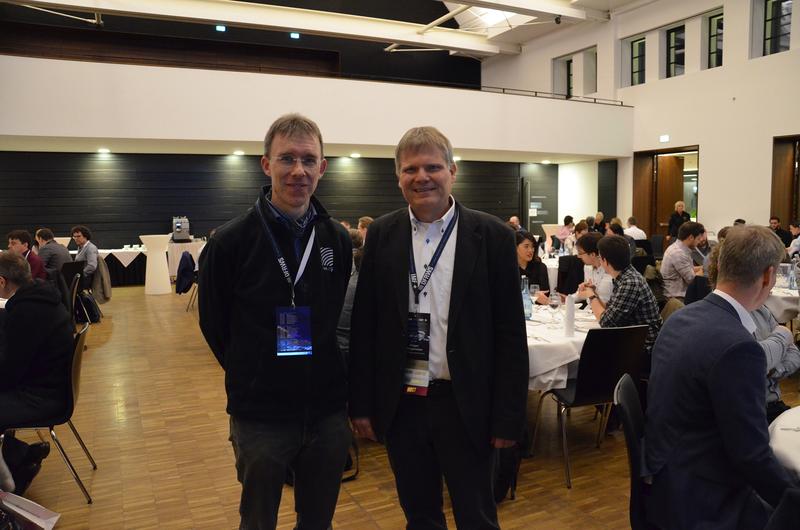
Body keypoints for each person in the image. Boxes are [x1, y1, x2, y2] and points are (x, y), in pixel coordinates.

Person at [349, 126, 528, 529]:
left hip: (467, 405)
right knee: (420, 517)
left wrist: (508, 417)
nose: (422, 177)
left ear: (452, 171)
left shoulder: (494, 236)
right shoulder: (381, 234)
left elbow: (510, 335)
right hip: (403, 404)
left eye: (432, 166)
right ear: (398, 177)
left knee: (477, 516)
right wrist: (360, 404)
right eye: (410, 169)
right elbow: (365, 327)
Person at [198, 114, 353, 529]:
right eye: (287, 159)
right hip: (260, 414)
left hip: (325, 412)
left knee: (318, 521)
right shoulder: (230, 242)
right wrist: (254, 372)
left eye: (308, 159)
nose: (298, 171)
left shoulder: (336, 238)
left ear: (322, 167)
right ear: (266, 165)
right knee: (258, 521)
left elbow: (332, 309)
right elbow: (213, 325)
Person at [643, 225, 799, 529]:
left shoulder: (681, 318)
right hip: (703, 497)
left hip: (665, 476)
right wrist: (793, 498)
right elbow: (751, 456)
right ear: (768, 276)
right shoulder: (738, 346)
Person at [0, 252, 73, 495]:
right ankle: (19, 454)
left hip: (43, 396)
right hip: (51, 385)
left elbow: (10, 371)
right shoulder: (41, 296)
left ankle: (10, 480)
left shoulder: (26, 311)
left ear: (2, 282)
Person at [706, 243, 800, 424]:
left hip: (771, 404)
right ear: (765, 276)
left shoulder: (761, 309)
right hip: (751, 412)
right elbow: (750, 360)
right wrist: (783, 336)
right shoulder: (720, 318)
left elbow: (795, 354)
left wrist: (773, 369)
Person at [578, 235, 661, 355]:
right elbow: (610, 311)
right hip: (629, 337)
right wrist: (594, 293)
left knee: (589, 351)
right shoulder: (624, 276)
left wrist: (591, 296)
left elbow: (606, 324)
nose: (599, 261)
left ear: (605, 261)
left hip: (640, 349)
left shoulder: (630, 282)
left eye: (600, 258)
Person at [660, 221, 705, 300]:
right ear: (690, 237)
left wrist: (705, 267)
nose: (699, 242)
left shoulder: (679, 248)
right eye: (698, 239)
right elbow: (692, 280)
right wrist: (705, 269)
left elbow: (689, 268)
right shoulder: (678, 253)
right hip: (676, 297)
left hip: (678, 292)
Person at [575, 232, 613, 303]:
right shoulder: (587, 267)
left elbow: (606, 303)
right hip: (588, 311)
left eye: (580, 253)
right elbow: (584, 293)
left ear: (592, 254)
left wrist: (591, 293)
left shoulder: (610, 271)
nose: (578, 256)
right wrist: (568, 299)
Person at [516, 231, 550, 305]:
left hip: (539, 312)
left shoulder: (540, 267)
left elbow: (545, 294)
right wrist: (532, 296)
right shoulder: (508, 269)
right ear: (515, 247)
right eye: (526, 246)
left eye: (532, 247)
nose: (531, 250)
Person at [71, 225, 98, 290]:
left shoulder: (90, 248)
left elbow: (92, 266)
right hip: (81, 277)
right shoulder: (81, 247)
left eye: (78, 236)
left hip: (85, 279)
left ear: (85, 236)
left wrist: (78, 276)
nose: (76, 238)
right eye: (74, 237)